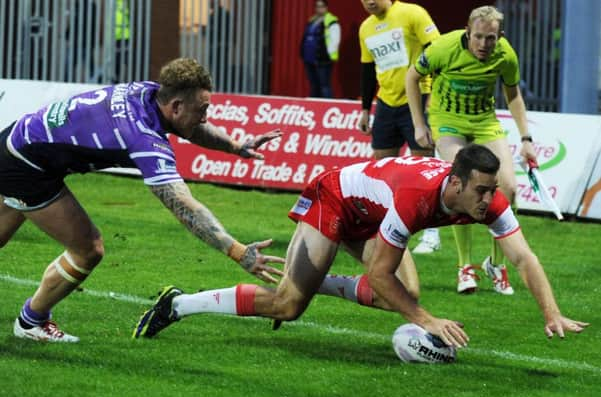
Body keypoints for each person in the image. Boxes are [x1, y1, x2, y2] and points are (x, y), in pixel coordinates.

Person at [133, 145, 588, 346]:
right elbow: (377, 273)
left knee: (400, 298)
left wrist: (552, 313)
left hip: (374, 213)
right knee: (289, 305)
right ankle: (178, 305)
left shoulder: (486, 201)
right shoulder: (415, 200)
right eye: (482, 192)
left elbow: (523, 256)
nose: (490, 201)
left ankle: (315, 282)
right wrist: (428, 321)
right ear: (455, 183)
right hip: (335, 199)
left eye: (492, 191)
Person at [0, 57, 285, 343]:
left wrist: (235, 147)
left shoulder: (147, 92)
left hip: (16, 138)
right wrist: (238, 251)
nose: (205, 117)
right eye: (202, 109)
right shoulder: (143, 137)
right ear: (175, 106)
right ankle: (31, 321)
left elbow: (189, 126)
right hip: (27, 167)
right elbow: (185, 208)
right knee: (88, 249)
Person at [406, 5, 538, 295]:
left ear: (499, 36)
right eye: (478, 37)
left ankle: (496, 263)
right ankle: (465, 266)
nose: (483, 44)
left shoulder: (506, 54)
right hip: (448, 122)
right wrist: (419, 124)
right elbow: (411, 77)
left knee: (510, 189)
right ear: (468, 32)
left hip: (484, 122)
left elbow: (513, 94)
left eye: (490, 38)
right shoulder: (444, 47)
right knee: (463, 186)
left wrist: (526, 138)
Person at [357, 0, 442, 255]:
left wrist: (433, 96)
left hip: (417, 100)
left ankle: (431, 234)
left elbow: (437, 51)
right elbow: (367, 69)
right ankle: (386, 229)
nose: (369, 1)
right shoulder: (365, 28)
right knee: (383, 170)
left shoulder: (412, 13)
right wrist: (364, 109)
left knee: (424, 170)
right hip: (385, 104)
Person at [300, 0, 341, 98]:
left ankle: (328, 105)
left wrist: (329, 54)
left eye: (322, 6)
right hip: (310, 58)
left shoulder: (331, 21)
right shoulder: (312, 20)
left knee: (324, 85)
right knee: (314, 85)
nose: (319, 9)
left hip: (323, 59)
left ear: (326, 7)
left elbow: (335, 40)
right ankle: (313, 106)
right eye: (317, 6)